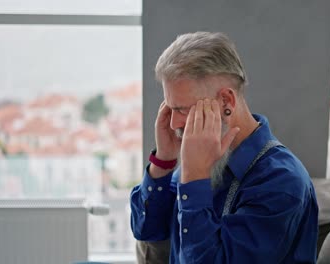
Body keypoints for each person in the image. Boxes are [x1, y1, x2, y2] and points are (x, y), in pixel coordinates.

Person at [130, 31, 318, 263]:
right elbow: (147, 230)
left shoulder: (281, 184)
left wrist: (195, 176)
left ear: (226, 101)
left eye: (182, 109)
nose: (173, 123)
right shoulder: (206, 152)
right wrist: (164, 161)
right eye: (170, 108)